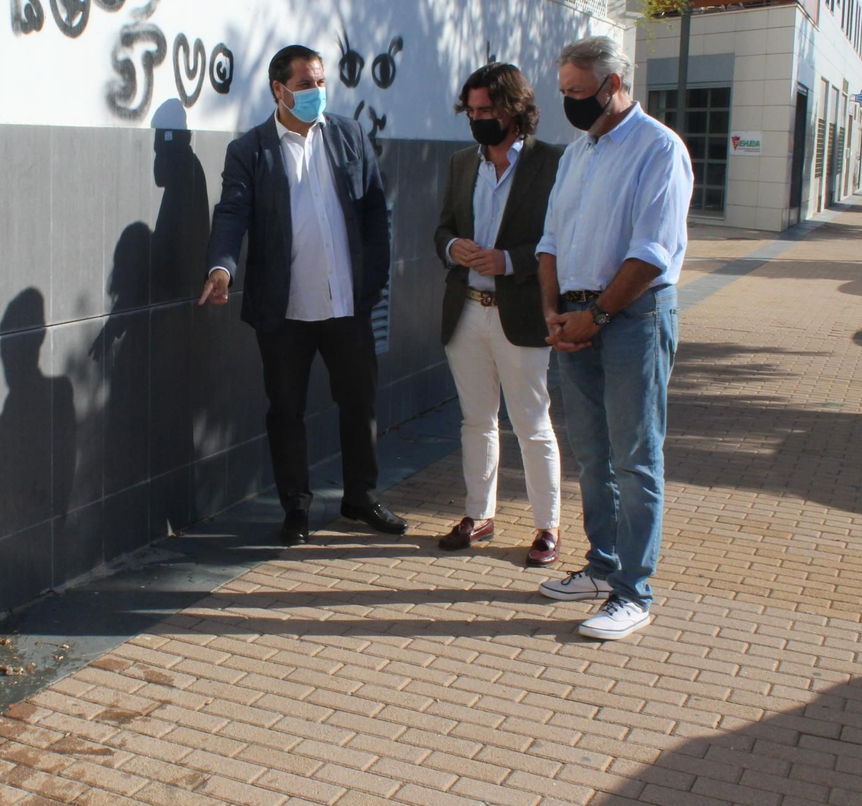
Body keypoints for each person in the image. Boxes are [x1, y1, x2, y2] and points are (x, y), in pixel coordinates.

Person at [200, 44, 406, 544]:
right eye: (306, 84)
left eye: (320, 82)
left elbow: (376, 211)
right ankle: (296, 508)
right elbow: (232, 213)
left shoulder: (349, 135)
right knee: (286, 410)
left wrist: (374, 281)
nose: (317, 91)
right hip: (285, 310)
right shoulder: (250, 151)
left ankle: (361, 498)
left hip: (347, 306)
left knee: (360, 404)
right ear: (279, 89)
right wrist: (221, 267)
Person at [535, 35, 690, 641]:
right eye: (565, 93)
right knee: (594, 458)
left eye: (579, 93)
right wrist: (553, 312)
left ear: (615, 84)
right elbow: (550, 240)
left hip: (631, 321)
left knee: (635, 459)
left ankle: (634, 591)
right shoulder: (578, 153)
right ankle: (602, 567)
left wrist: (595, 317)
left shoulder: (658, 149)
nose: (571, 104)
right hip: (574, 319)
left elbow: (651, 252)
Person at [432, 63, 564, 565]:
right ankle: (477, 513)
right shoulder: (462, 163)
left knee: (532, 423)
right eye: (471, 110)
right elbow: (441, 229)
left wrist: (510, 261)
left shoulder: (552, 163)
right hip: (466, 311)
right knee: (476, 421)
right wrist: (453, 249)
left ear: (514, 109)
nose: (477, 118)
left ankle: (547, 525)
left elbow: (563, 241)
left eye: (487, 109)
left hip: (522, 313)